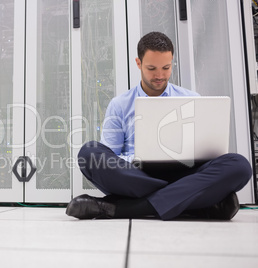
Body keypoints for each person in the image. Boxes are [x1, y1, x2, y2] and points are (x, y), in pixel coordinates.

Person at [66, 31, 252, 220]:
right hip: (137, 175)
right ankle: (192, 202)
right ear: (138, 64)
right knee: (88, 153)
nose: (160, 75)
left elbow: (208, 154)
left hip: (185, 173)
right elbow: (110, 156)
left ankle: (124, 208)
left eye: (166, 67)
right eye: (152, 68)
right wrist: (136, 158)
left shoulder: (192, 99)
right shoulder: (120, 104)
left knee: (239, 165)